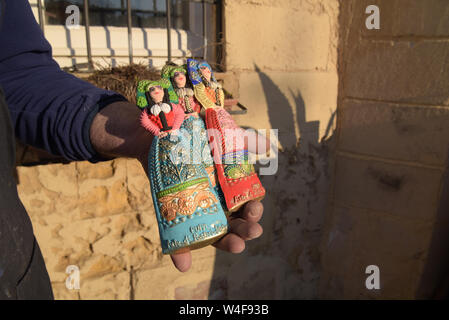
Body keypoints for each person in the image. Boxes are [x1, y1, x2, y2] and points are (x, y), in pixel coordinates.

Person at [0, 0, 264, 299]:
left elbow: (19, 74)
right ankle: (186, 219)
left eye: (178, 81)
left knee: (209, 163)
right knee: (178, 178)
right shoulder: (161, 110)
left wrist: (137, 133)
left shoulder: (194, 96)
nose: (173, 85)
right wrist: (159, 131)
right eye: (159, 89)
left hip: (17, 270)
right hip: (170, 143)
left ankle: (225, 194)